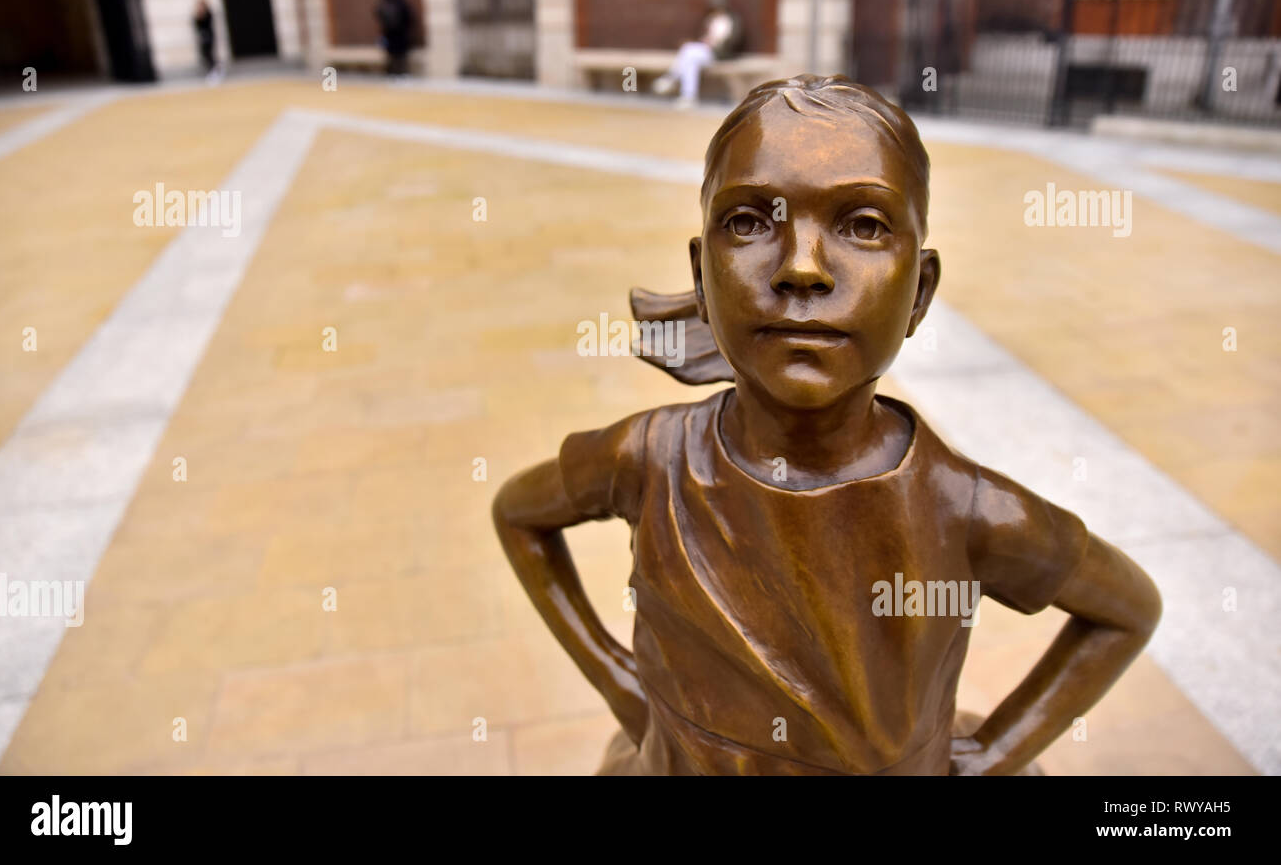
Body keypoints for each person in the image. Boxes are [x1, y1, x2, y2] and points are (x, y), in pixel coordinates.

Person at [493, 75, 1162, 775]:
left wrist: (993, 754)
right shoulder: (647, 458)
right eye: (750, 221)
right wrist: (619, 679)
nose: (802, 268)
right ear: (701, 273)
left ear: (921, 292)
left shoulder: (962, 509)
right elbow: (518, 514)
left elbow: (1126, 610)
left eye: (864, 225)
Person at [652, 0, 744, 107]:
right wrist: (703, 42)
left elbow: (732, 41)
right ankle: (688, 96)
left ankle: (671, 79)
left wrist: (716, 45)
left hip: (718, 54)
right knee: (690, 60)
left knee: (688, 51)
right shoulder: (711, 20)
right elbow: (705, 37)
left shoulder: (731, 21)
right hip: (705, 50)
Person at [374, 0, 414, 76]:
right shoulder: (401, 3)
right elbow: (409, 18)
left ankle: (391, 72)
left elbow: (377, 13)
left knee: (391, 55)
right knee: (400, 55)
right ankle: (400, 72)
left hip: (389, 34)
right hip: (400, 34)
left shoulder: (386, 3)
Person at [192, 0, 221, 84]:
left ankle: (216, 70)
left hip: (208, 37)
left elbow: (208, 23)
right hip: (202, 37)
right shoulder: (198, 14)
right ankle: (212, 71)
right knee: (204, 54)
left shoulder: (208, 13)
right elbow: (196, 24)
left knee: (209, 54)